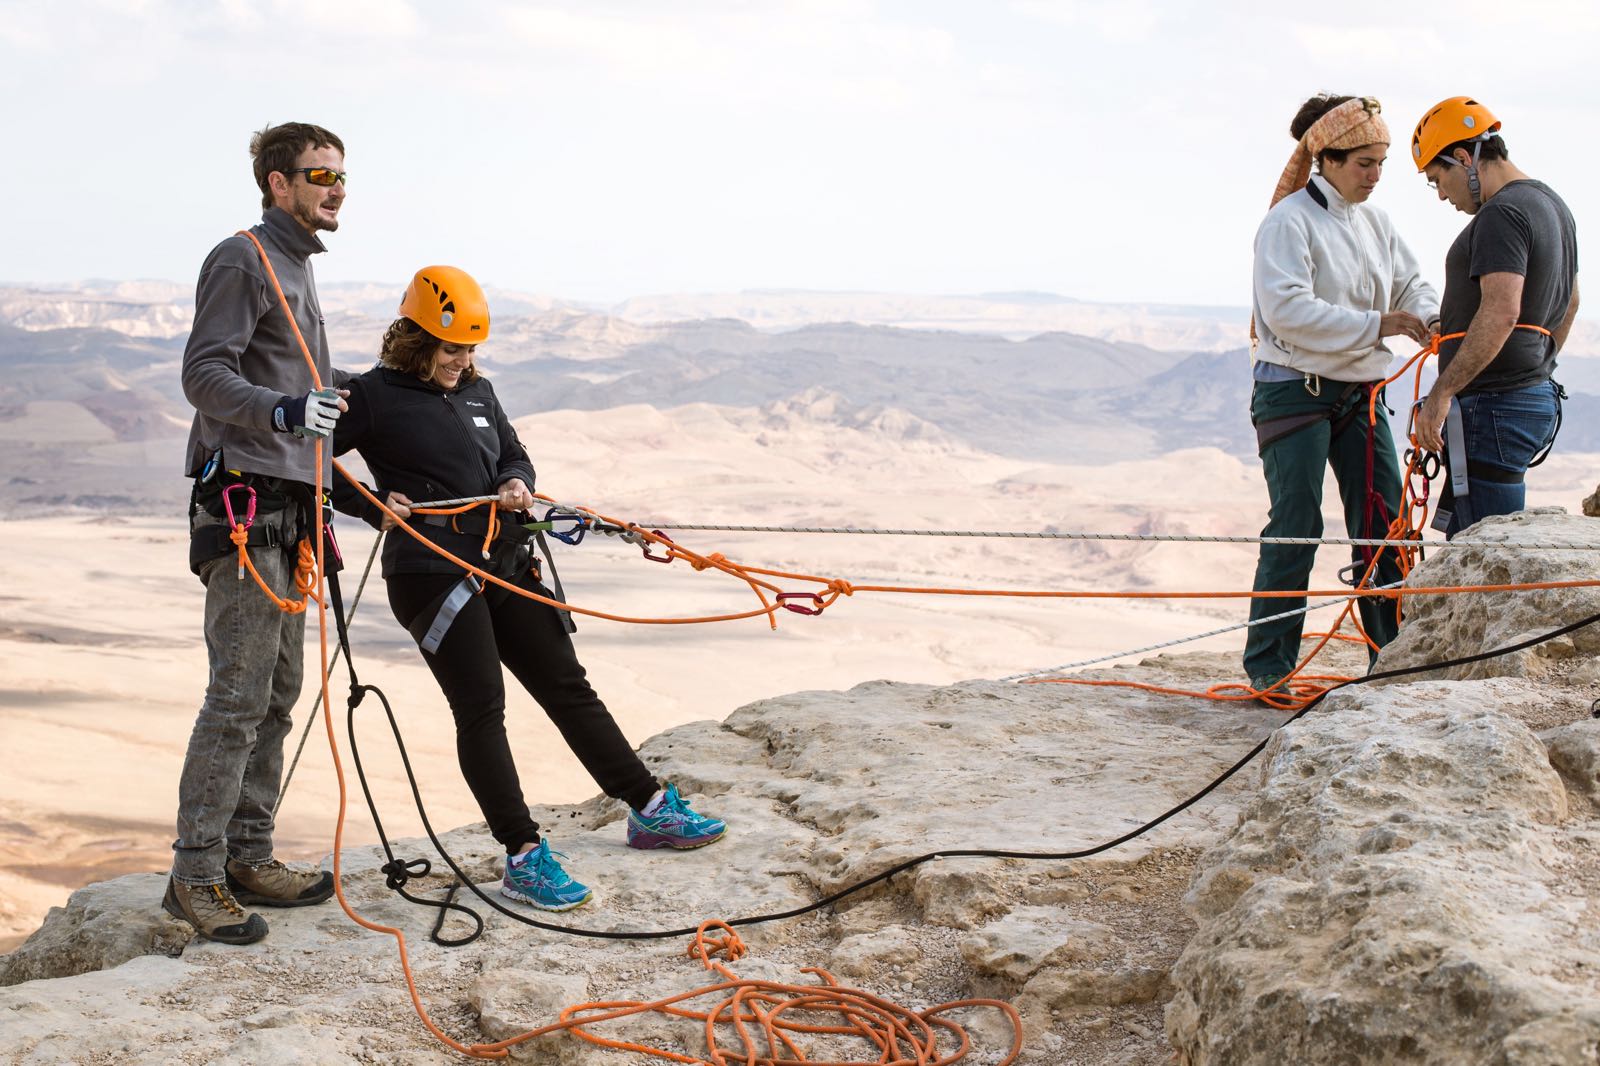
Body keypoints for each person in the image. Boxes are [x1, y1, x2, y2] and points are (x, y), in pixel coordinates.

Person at [332, 266, 725, 912]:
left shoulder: (479, 393)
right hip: (434, 575)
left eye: (470, 349)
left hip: (507, 557)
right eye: (451, 348)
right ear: (415, 337)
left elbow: (515, 453)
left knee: (566, 685)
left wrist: (515, 480)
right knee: (483, 707)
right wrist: (374, 505)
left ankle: (650, 808)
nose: (463, 361)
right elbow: (308, 457)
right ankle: (522, 855)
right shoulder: (372, 396)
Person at [168, 122, 353, 943]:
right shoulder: (244, 257)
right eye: (319, 173)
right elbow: (204, 372)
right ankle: (196, 876)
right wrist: (279, 411)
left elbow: (299, 378)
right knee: (237, 698)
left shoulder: (295, 266)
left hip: (288, 511)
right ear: (278, 183)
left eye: (342, 175)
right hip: (242, 509)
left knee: (276, 696)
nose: (336, 187)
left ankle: (249, 853)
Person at [1244, 94, 1440, 695]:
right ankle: (1270, 668)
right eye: (1364, 163)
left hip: (1361, 390)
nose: (1376, 175)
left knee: (1384, 519)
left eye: (1381, 162)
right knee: (1297, 524)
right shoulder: (1286, 222)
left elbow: (1411, 281)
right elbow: (1288, 311)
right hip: (1295, 391)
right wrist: (1381, 324)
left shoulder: (1376, 222)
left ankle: (1391, 657)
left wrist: (1428, 318)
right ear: (1324, 159)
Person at [1411, 97, 1580, 536]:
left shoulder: (1501, 213)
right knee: (1485, 539)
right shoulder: (1552, 205)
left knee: (1481, 545)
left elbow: (1502, 309)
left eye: (1438, 179)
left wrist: (1441, 393)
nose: (1442, 195)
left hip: (1494, 406)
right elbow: (1571, 301)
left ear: (1464, 158)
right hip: (1522, 398)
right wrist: (1534, 365)